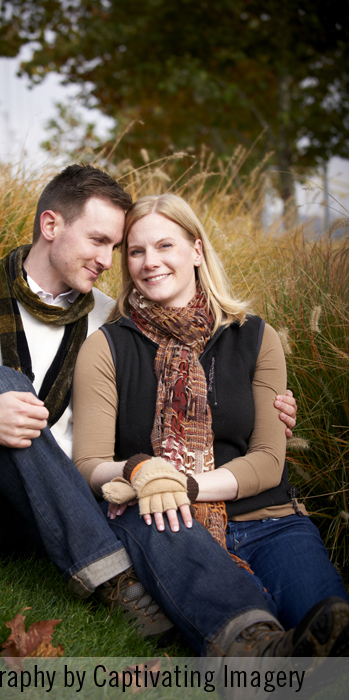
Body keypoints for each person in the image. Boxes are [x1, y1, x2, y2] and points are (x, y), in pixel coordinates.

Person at [0, 165, 297, 643]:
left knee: (150, 492)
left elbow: (167, 390)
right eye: (98, 240)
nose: (109, 259)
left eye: (115, 247)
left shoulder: (110, 318)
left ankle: (253, 636)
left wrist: (263, 408)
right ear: (51, 226)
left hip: (82, 502)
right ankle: (116, 580)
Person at [72, 193, 349, 657]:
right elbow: (88, 463)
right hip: (172, 525)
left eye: (165, 246)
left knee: (331, 627)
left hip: (270, 520)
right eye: (136, 252)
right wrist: (141, 473)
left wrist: (183, 483)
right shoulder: (106, 348)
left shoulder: (256, 337)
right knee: (273, 644)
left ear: (196, 251)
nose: (149, 262)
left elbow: (266, 463)